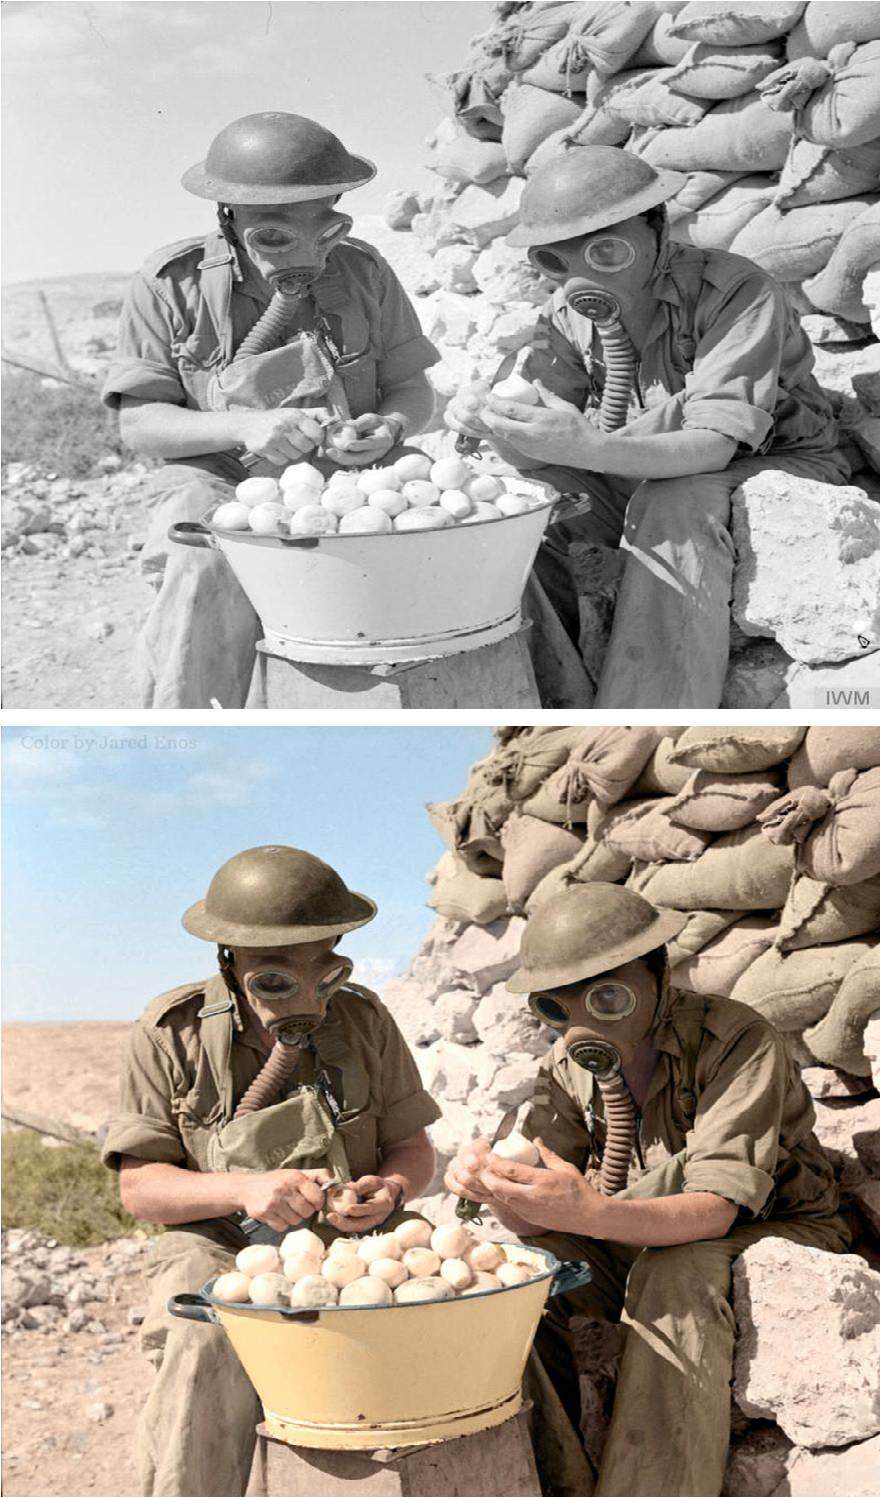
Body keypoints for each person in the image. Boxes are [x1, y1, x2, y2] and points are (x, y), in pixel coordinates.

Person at [445, 883, 850, 1497]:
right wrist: (499, 1189)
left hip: (770, 1226)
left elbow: (715, 1210)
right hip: (629, 1231)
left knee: (674, 1271)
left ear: (658, 974)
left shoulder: (736, 1040)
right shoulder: (563, 1070)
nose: (581, 1023)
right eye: (558, 1009)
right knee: (523, 1279)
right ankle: (554, 1482)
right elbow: (544, 1222)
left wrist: (590, 1211)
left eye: (607, 997)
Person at [444, 145, 850, 709]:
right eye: (557, 262)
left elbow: (713, 444)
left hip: (764, 460)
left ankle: (646, 714)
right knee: (522, 513)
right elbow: (548, 441)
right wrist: (496, 425)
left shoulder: (734, 289)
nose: (580, 276)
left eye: (605, 252)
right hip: (630, 465)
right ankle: (550, 701)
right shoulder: (564, 314)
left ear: (657, 229)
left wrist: (585, 445)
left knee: (674, 503)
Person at [101, 844, 439, 1497]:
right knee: (202, 1333)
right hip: (220, 1240)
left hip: (352, 1243)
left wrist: (390, 1188)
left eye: (322, 963)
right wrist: (244, 1189)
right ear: (229, 959)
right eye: (274, 970)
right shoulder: (170, 1032)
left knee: (464, 1313)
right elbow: (140, 1186)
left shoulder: (365, 1021)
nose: (303, 985)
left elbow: (413, 1147)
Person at [102, 113, 439, 707]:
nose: (307, 246)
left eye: (325, 223)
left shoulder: (366, 274)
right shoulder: (169, 285)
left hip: (351, 479)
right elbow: (140, 423)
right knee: (203, 561)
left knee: (450, 542)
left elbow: (412, 387)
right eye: (276, 231)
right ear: (230, 215)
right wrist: (246, 426)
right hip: (222, 478)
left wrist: (389, 427)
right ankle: (191, 724)